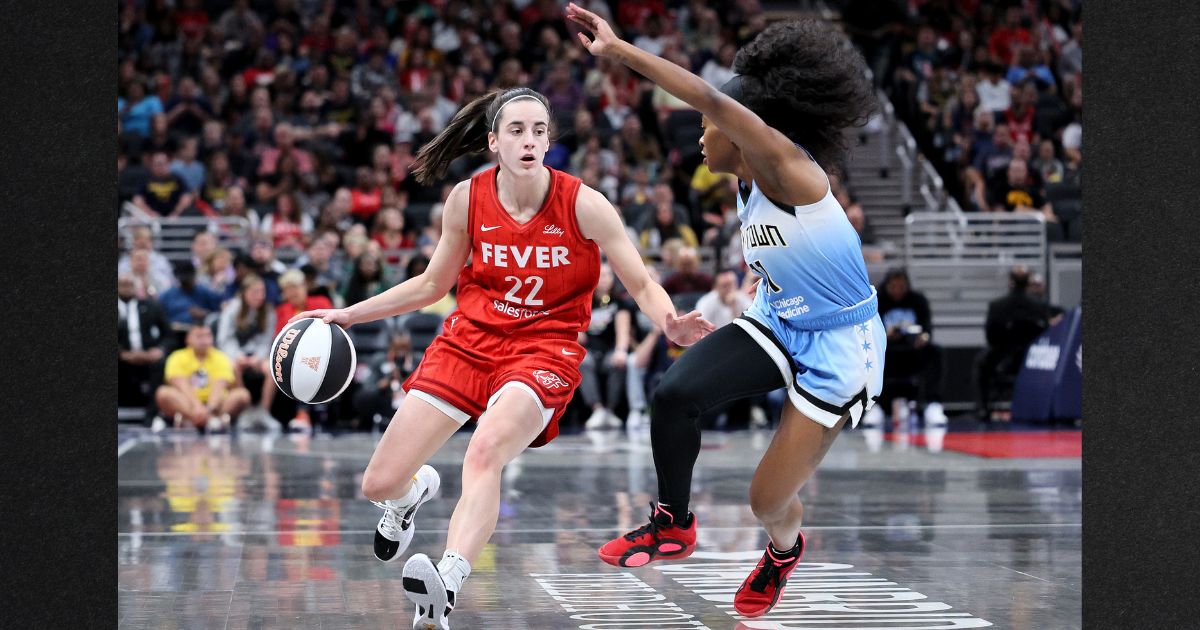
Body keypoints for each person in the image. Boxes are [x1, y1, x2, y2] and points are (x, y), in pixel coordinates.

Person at [288, 86, 713, 630]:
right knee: (378, 483)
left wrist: (670, 319)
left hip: (544, 349)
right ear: (493, 142)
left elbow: (640, 280)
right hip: (468, 342)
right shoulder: (467, 199)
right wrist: (348, 314)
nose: (530, 140)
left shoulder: (583, 202)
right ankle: (411, 494)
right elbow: (430, 284)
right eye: (516, 130)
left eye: (539, 130)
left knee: (485, 450)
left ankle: (449, 579)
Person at [568, 6, 881, 618]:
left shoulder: (789, 170)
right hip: (777, 319)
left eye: (706, 126)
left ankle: (784, 550)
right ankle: (673, 523)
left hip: (841, 346)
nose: (698, 137)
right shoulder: (742, 181)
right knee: (674, 394)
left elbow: (708, 95)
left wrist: (621, 52)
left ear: (739, 130)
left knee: (766, 502)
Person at [977, 266, 1054, 421]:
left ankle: (983, 408)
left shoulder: (997, 305)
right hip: (1032, 359)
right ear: (1027, 283)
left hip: (1003, 358)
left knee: (981, 362)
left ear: (1010, 282)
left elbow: (990, 336)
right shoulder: (1039, 306)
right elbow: (1047, 334)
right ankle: (1046, 408)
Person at [155, 324, 251, 433]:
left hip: (216, 405)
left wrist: (209, 408)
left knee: (242, 394)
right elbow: (181, 385)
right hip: (188, 403)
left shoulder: (220, 357)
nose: (204, 340)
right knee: (163, 393)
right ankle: (209, 421)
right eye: (199, 336)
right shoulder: (176, 357)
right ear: (188, 339)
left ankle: (197, 420)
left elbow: (220, 385)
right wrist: (198, 407)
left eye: (207, 336)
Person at [216, 275, 280, 432]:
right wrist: (238, 356)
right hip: (234, 354)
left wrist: (257, 358)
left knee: (273, 369)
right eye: (255, 292)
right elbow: (224, 338)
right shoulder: (232, 309)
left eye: (262, 291)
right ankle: (245, 412)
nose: (260, 296)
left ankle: (263, 412)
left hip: (257, 355)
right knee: (233, 367)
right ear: (244, 293)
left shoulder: (268, 311)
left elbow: (266, 341)